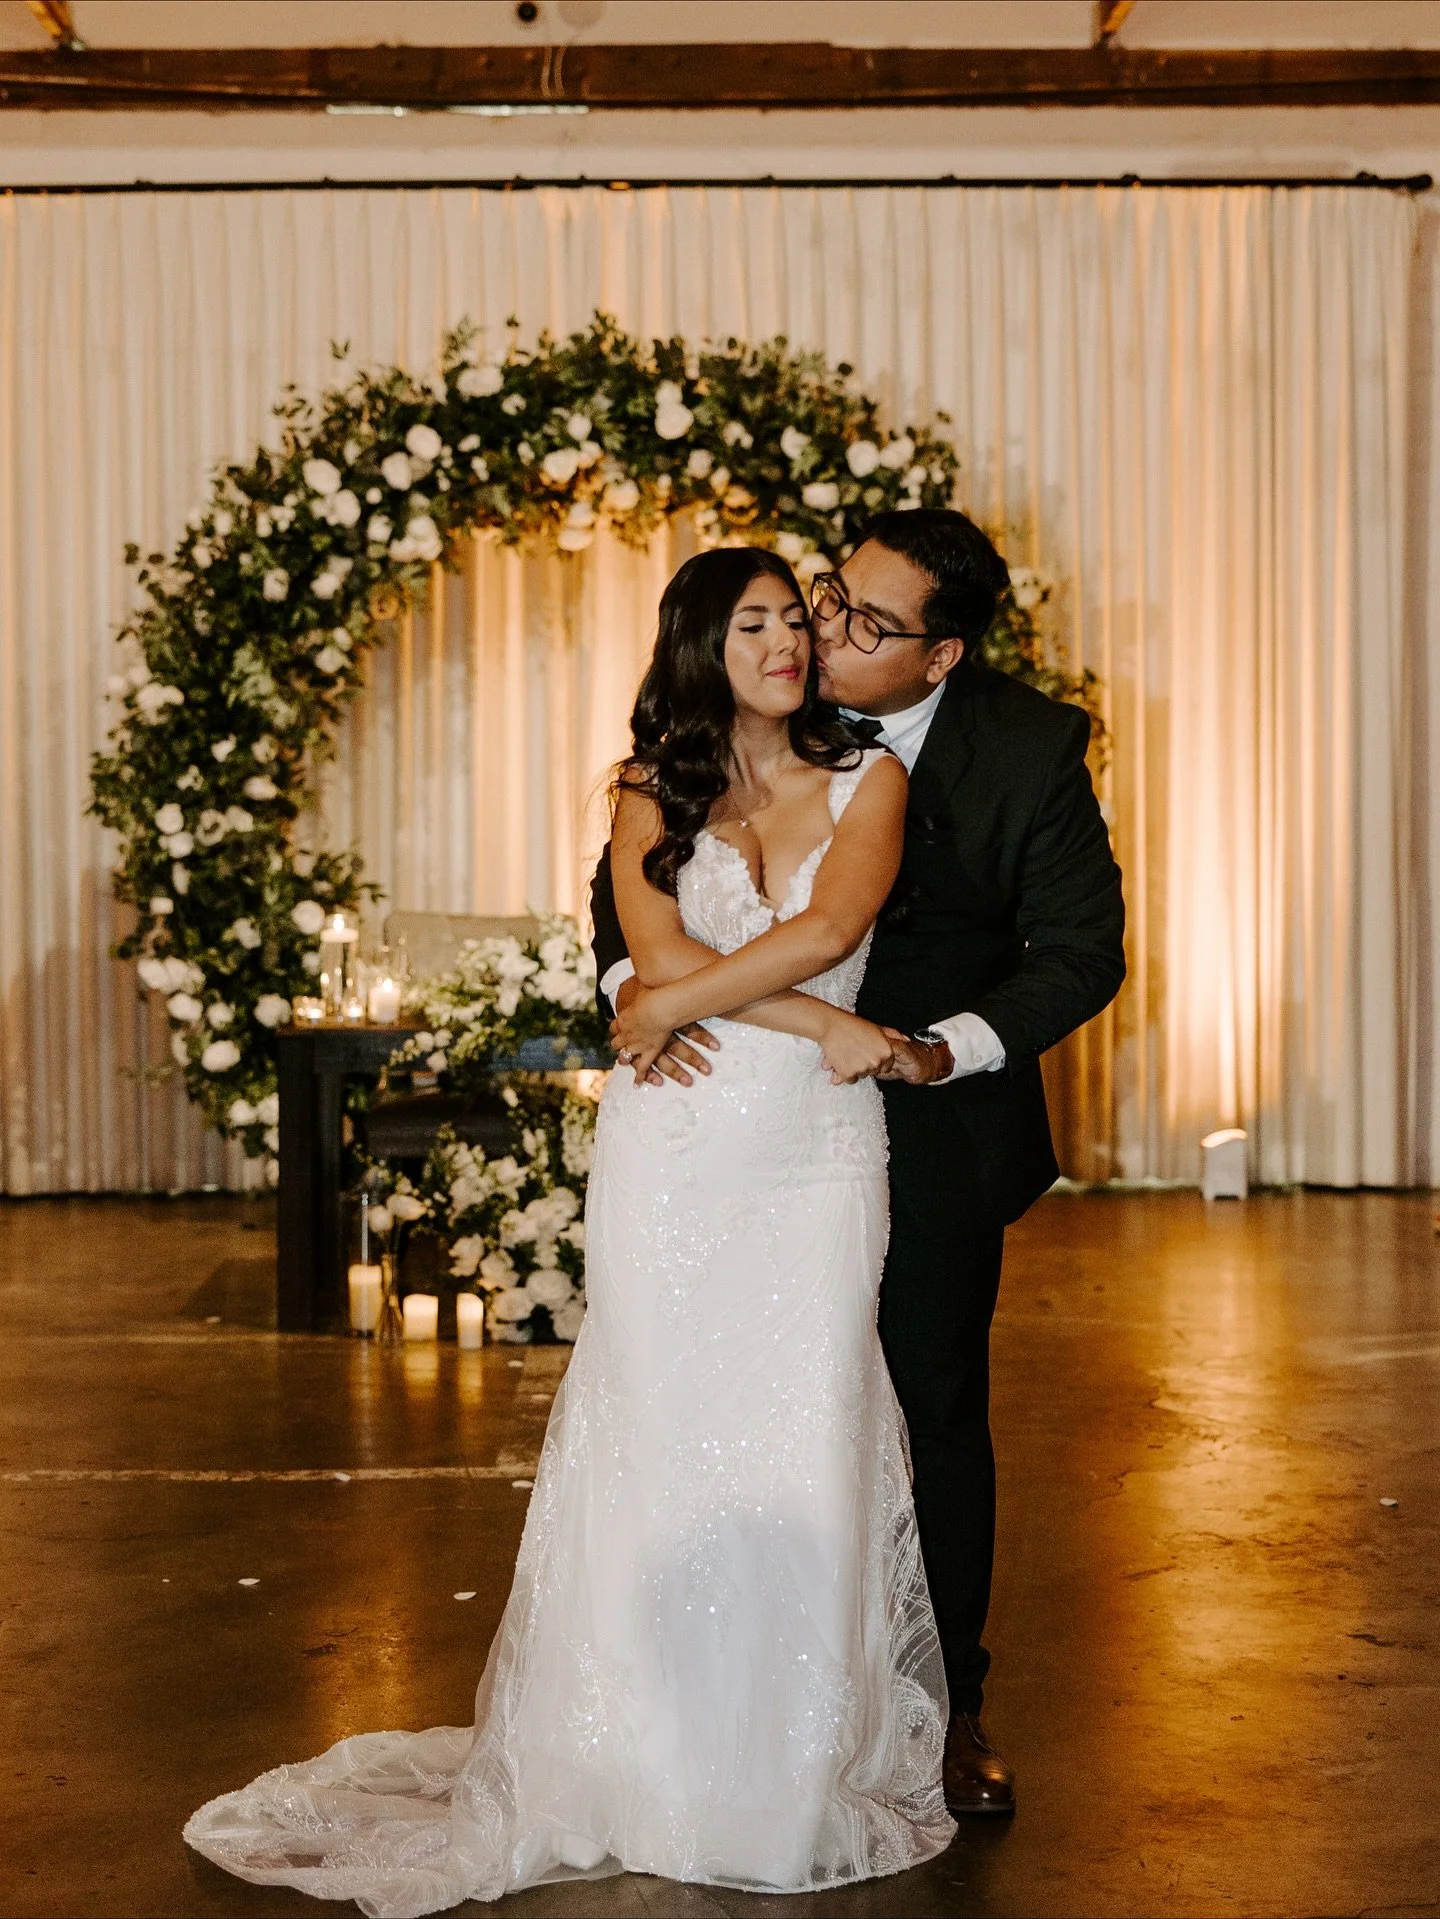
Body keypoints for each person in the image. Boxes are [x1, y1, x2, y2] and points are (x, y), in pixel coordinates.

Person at [183, 547, 957, 1912]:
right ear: (697, 648)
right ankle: (632, 1762)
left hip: (815, 1160)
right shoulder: (646, 789)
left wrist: (694, 1002)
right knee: (658, 1426)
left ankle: (780, 1777)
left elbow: (833, 916)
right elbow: (655, 964)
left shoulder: (872, 778)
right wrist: (821, 1018)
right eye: (751, 623)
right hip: (677, 1151)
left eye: (795, 619)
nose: (784, 642)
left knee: (808, 1423)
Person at [591, 510, 1127, 1815]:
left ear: (940, 657)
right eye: (829, 600)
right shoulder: (749, 692)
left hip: (921, 1121)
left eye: (865, 625)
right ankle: (714, 1687)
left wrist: (939, 1051)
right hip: (718, 1110)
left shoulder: (1028, 746)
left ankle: (943, 1706)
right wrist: (636, 988)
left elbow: (1080, 948)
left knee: (925, 1406)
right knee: (723, 1402)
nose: (825, 632)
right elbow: (622, 894)